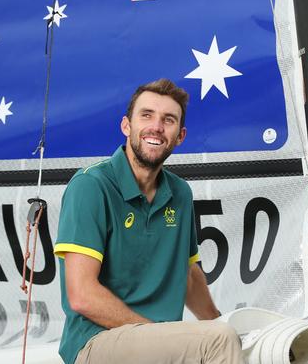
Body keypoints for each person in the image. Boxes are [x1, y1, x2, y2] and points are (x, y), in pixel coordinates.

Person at [53, 79, 243, 364]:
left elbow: (189, 275)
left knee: (232, 338)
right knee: (219, 341)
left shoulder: (180, 192)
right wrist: (159, 335)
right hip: (95, 341)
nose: (156, 126)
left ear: (180, 136)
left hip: (159, 340)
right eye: (147, 115)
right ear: (126, 126)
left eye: (168, 120)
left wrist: (221, 323)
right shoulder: (91, 185)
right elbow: (82, 295)